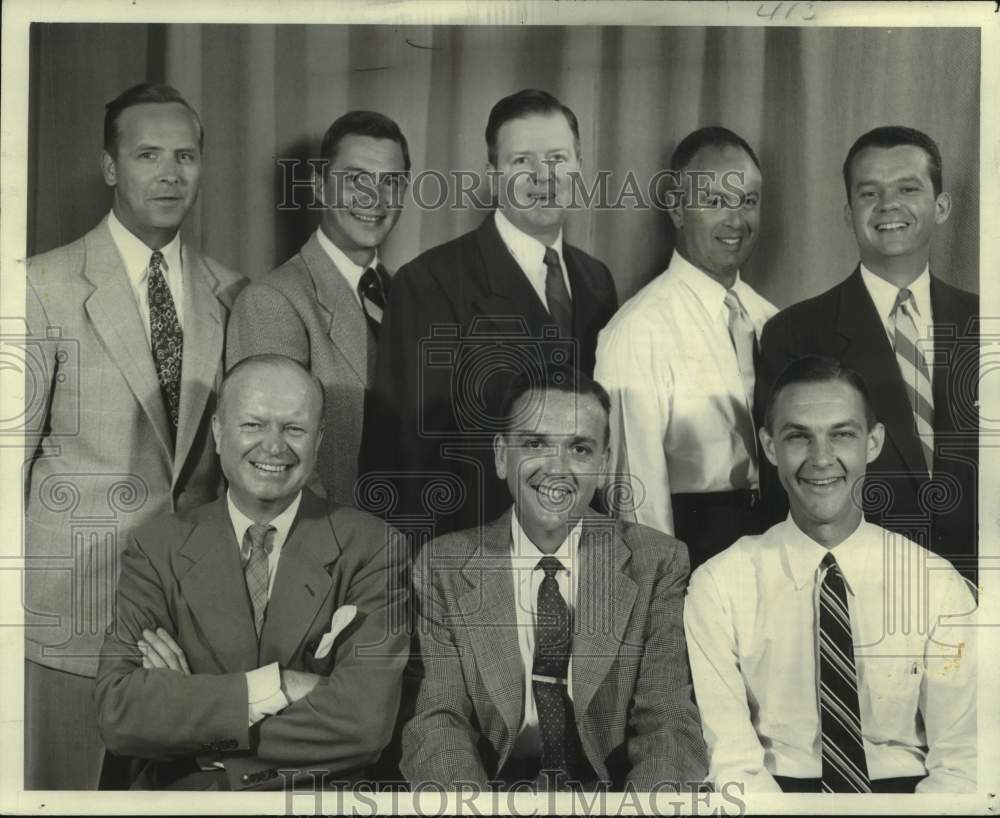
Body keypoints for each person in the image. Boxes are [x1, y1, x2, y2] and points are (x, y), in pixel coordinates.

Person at [23, 82, 244, 790]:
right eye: (148, 154)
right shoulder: (40, 287)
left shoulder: (235, 294)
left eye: (185, 156)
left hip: (190, 630)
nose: (170, 173)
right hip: (68, 623)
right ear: (111, 168)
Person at [95, 354, 409, 790]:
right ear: (220, 434)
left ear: (318, 440)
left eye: (294, 428)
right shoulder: (156, 546)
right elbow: (120, 715)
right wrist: (276, 685)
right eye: (253, 425)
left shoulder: (374, 547)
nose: (274, 446)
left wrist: (195, 723)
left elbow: (366, 723)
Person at [401, 366, 706, 791]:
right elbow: (438, 721)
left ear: (603, 463)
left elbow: (668, 724)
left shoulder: (657, 561)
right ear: (502, 456)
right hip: (491, 793)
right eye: (535, 443)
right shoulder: (444, 566)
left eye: (579, 449)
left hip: (614, 797)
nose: (557, 468)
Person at [684, 355, 976, 794]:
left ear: (872, 443)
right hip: (776, 798)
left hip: (907, 798)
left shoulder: (935, 584)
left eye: (841, 434)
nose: (821, 459)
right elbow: (734, 766)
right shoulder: (719, 585)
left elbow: (962, 762)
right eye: (799, 437)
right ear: (769, 446)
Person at [361, 89, 618, 537]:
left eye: (558, 158)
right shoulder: (429, 282)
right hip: (472, 559)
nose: (544, 176)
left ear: (579, 167)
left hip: (579, 550)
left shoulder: (597, 281)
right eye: (522, 162)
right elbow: (405, 460)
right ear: (494, 175)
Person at [756, 126, 978, 581]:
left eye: (907, 189)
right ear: (848, 212)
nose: (888, 206)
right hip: (859, 586)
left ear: (941, 206)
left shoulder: (986, 323)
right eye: (869, 193)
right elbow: (785, 487)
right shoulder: (795, 333)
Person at [595, 127, 776, 570]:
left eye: (747, 201)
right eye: (715, 202)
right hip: (692, 546)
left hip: (774, 542)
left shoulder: (770, 319)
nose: (736, 221)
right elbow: (634, 494)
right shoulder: (639, 329)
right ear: (676, 209)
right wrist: (661, 598)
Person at [227, 111, 410, 506]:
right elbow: (271, 463)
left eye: (391, 183)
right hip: (331, 552)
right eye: (357, 180)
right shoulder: (274, 301)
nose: (375, 200)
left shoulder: (411, 294)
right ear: (319, 186)